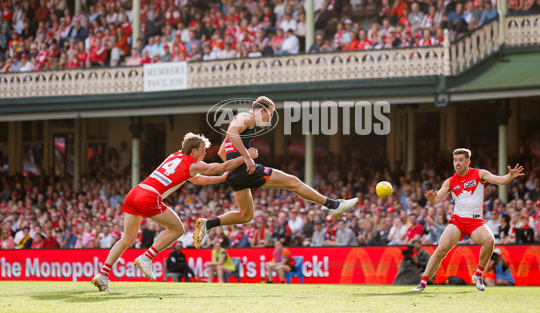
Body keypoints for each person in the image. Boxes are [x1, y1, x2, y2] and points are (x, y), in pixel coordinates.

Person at [91, 133, 258, 292]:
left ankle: (103, 275)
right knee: (178, 229)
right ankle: (147, 257)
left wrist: (221, 179)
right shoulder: (194, 164)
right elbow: (223, 166)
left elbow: (197, 179)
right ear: (193, 151)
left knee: (127, 239)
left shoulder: (176, 155)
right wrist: (246, 156)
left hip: (136, 192)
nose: (205, 153)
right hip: (149, 196)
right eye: (203, 150)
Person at [193, 96, 357, 248]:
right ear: (262, 110)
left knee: (245, 216)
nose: (270, 119)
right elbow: (231, 133)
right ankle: (333, 205)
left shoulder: (239, 120)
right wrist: (247, 158)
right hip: (245, 169)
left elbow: (223, 152)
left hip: (237, 174)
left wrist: (234, 166)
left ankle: (208, 224)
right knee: (293, 182)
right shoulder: (248, 117)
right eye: (270, 114)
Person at [412, 148, 523, 292]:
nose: (457, 163)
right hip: (457, 221)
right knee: (440, 250)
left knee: (489, 241)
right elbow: (437, 198)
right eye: (455, 160)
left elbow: (500, 180)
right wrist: (433, 199)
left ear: (468, 161)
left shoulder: (479, 174)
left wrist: (510, 176)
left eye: (460, 160)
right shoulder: (450, 181)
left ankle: (478, 274)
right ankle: (423, 283)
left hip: (475, 222)